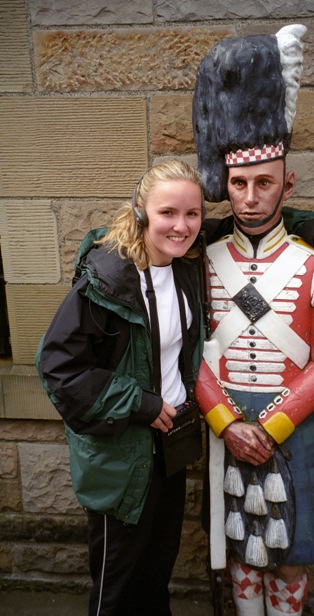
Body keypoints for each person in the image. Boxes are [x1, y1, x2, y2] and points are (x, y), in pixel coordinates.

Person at [193, 25, 314, 616]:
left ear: (289, 184)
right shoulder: (200, 259)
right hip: (225, 420)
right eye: (239, 183)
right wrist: (228, 423)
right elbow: (193, 352)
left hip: (294, 423)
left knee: (289, 553)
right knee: (237, 551)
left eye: (265, 182)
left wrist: (274, 425)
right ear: (226, 187)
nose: (252, 196)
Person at [36, 159, 206, 616]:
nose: (182, 225)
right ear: (141, 209)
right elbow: (59, 367)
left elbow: (257, 217)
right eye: (168, 212)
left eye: (193, 214)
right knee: (117, 586)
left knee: (155, 575)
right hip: (120, 456)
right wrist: (140, 403)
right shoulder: (108, 280)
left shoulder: (185, 265)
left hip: (168, 448)